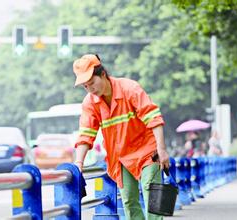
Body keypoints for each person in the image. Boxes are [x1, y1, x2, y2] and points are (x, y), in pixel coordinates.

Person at [72, 54, 169, 220]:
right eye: (86, 86)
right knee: (129, 201)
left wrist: (161, 149)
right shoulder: (90, 102)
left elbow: (153, 117)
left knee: (152, 190)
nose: (91, 89)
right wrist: (78, 163)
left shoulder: (130, 89)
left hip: (147, 150)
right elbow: (86, 133)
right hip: (121, 157)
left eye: (92, 83)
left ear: (103, 74)